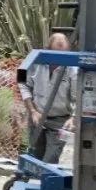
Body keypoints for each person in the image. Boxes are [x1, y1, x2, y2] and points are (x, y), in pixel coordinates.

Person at [19, 30, 76, 164]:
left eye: (64, 55)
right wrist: (32, 111)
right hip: (36, 117)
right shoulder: (33, 62)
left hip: (59, 121)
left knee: (50, 160)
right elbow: (21, 83)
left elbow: (79, 96)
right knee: (34, 158)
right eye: (56, 54)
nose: (60, 59)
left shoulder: (73, 70)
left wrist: (73, 117)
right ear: (48, 50)